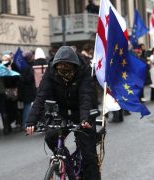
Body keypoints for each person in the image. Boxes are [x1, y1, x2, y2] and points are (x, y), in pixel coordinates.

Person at [26, 46, 100, 180]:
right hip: (61, 112)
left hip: (83, 112)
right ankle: (67, 164)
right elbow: (41, 96)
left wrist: (85, 119)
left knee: (89, 155)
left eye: (68, 71)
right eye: (60, 70)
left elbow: (86, 97)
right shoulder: (51, 71)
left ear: (75, 66)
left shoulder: (84, 71)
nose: (64, 74)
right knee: (51, 137)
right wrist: (31, 121)